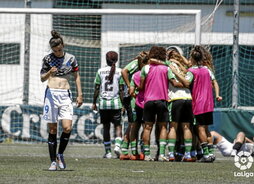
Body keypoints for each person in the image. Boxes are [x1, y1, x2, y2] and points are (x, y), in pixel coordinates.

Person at [170, 45, 222, 162]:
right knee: (207, 128)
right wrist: (217, 95)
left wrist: (175, 72)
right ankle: (211, 153)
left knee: (200, 129)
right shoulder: (207, 69)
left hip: (198, 103)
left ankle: (206, 154)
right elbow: (215, 82)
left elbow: (187, 83)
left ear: (192, 59)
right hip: (209, 102)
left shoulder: (191, 71)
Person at [40, 30, 83, 171]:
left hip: (65, 94)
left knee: (67, 127)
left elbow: (76, 76)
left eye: (59, 49)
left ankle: (60, 154)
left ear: (63, 45)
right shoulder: (47, 59)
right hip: (51, 95)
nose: (57, 52)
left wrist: (80, 94)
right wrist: (49, 73)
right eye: (55, 50)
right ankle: (53, 161)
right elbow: (42, 78)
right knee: (52, 129)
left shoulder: (71, 58)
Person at [139, 46, 183, 161]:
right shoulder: (166, 69)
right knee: (163, 127)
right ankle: (162, 154)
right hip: (162, 100)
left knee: (147, 128)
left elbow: (141, 86)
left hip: (148, 101)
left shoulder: (146, 68)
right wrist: (186, 84)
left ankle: (147, 155)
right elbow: (174, 83)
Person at [92, 51, 124, 159]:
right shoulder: (120, 72)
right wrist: (123, 104)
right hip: (115, 103)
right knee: (118, 126)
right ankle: (118, 147)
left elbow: (97, 88)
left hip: (103, 104)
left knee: (106, 127)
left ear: (106, 60)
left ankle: (108, 152)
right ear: (117, 60)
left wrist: (94, 102)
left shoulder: (100, 71)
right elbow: (121, 90)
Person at [166, 48, 194, 162]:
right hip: (188, 98)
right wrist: (186, 85)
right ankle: (187, 155)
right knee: (186, 127)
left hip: (176, 98)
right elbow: (187, 83)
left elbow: (174, 83)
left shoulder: (169, 66)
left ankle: (171, 154)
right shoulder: (187, 70)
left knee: (173, 127)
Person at [120, 51, 148, 159]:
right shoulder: (136, 64)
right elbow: (124, 71)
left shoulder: (143, 69)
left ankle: (126, 149)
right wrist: (129, 86)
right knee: (134, 125)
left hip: (140, 98)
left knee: (136, 125)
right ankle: (133, 151)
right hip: (133, 98)